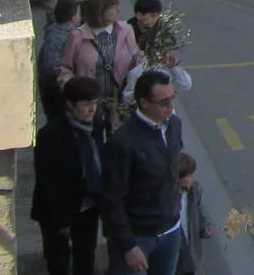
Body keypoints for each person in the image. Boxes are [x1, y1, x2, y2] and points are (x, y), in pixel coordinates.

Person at [100, 71, 184, 275]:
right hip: (138, 236)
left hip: (170, 230)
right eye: (164, 102)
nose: (171, 106)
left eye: (172, 98)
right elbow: (112, 199)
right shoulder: (123, 142)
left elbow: (174, 160)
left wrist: (184, 174)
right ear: (144, 103)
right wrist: (128, 245)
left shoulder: (174, 124)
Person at [32, 76, 106, 275]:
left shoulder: (95, 124)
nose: (92, 109)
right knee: (59, 261)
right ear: (69, 104)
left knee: (86, 258)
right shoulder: (51, 134)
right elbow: (47, 181)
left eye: (95, 103)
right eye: (86, 104)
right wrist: (60, 221)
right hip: (59, 211)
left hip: (88, 205)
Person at [58, 0, 144, 141]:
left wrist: (152, 62)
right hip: (90, 103)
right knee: (93, 141)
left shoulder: (125, 30)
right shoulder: (77, 36)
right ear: (99, 10)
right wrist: (74, 93)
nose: (118, 10)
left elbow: (136, 58)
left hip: (119, 101)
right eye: (113, 7)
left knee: (119, 142)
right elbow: (65, 69)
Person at [38, 0, 82, 121]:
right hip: (55, 90)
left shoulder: (70, 33)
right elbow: (52, 67)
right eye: (79, 13)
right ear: (72, 18)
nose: (80, 16)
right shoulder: (55, 39)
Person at [174, 153, 215, 275]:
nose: (191, 179)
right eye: (188, 175)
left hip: (188, 250)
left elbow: (198, 211)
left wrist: (204, 227)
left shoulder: (194, 190)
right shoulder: (167, 196)